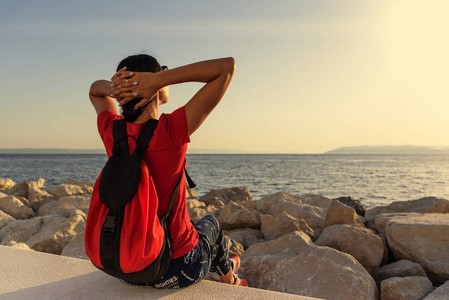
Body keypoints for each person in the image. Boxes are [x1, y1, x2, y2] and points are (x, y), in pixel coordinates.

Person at [88, 54, 247, 288]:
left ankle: (223, 263)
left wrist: (119, 88)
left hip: (128, 270)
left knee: (194, 228)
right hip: (175, 268)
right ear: (154, 85)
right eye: (162, 74)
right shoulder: (172, 130)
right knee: (211, 225)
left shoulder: (112, 131)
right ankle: (231, 278)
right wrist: (159, 80)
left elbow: (95, 91)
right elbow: (226, 67)